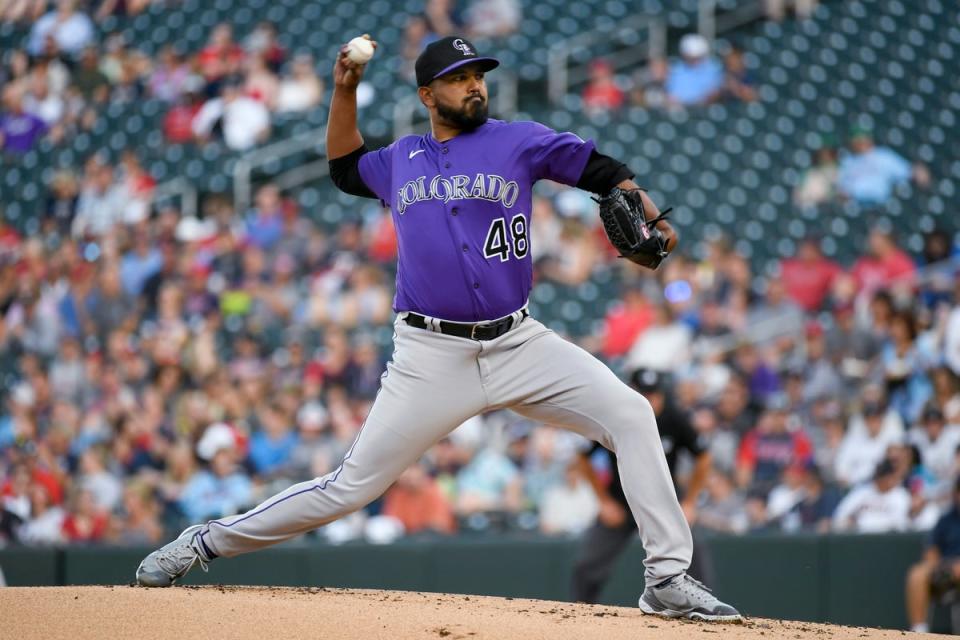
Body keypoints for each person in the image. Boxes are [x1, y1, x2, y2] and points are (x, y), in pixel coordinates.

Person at [135, 34, 740, 623]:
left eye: (478, 76)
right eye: (458, 79)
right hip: (429, 353)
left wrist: (646, 208)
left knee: (633, 415)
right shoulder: (401, 158)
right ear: (428, 95)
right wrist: (344, 87)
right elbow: (344, 168)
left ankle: (666, 579)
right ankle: (205, 542)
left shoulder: (519, 141)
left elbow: (602, 170)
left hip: (518, 342)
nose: (474, 86)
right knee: (350, 487)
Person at [571, 369, 714, 604]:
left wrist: (690, 501)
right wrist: (604, 501)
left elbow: (703, 457)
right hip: (621, 503)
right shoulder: (614, 416)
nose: (651, 400)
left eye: (654, 394)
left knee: (695, 562)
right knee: (586, 566)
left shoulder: (673, 417)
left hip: (664, 504)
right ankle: (578, 614)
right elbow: (583, 456)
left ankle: (704, 614)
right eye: (643, 394)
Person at [905, 477, 960, 633]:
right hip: (947, 572)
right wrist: (941, 565)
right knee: (917, 574)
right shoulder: (946, 520)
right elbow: (931, 549)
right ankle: (919, 631)